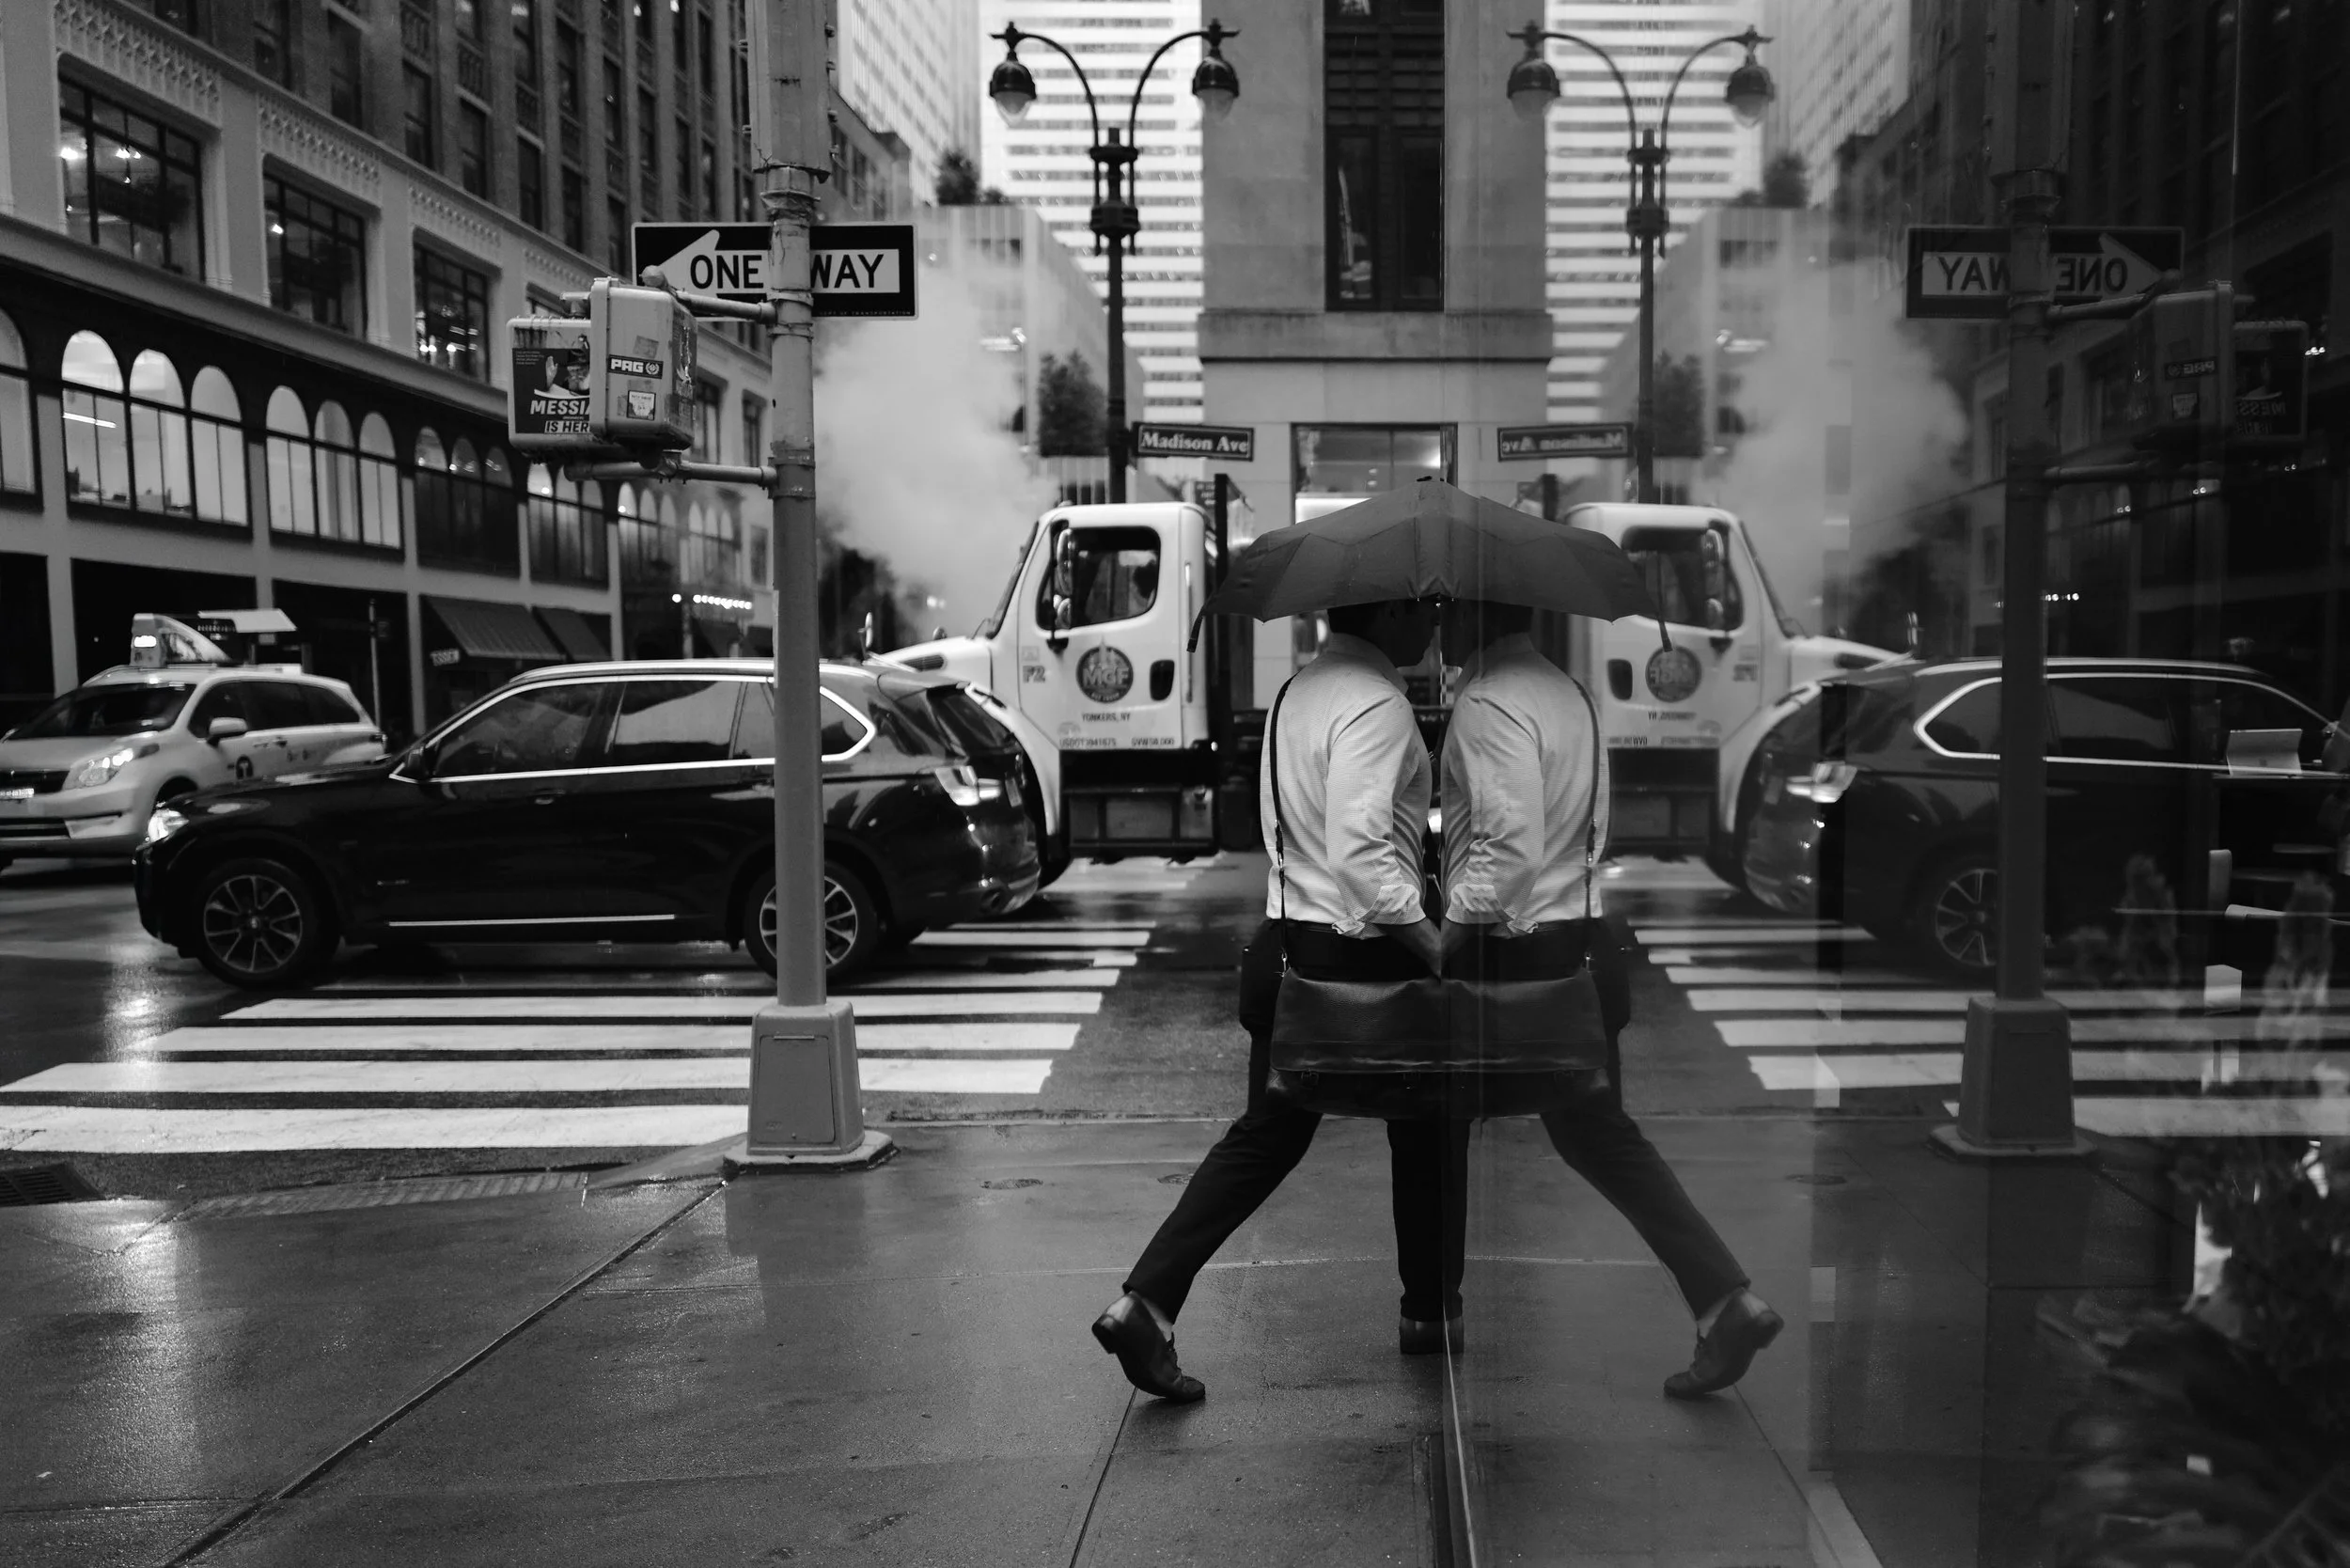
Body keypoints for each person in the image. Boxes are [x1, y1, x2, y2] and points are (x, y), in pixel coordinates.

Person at [1092, 598, 1472, 1403]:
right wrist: (1435, 943)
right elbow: (1361, 856)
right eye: (1423, 610)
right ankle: (1428, 1313)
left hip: (1290, 944)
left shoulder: (1298, 693)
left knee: (1265, 1139)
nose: (1433, 626)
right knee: (1431, 1121)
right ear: (1387, 617)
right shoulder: (1375, 705)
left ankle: (1145, 1303)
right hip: (1360, 957)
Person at [1436, 599, 1782, 1399]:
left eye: (1448, 611)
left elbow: (1508, 851)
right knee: (1601, 1140)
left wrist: (1444, 935)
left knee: (1440, 1120)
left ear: (1478, 613)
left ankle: (1437, 1307)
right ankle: (1726, 1299)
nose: (1437, 627)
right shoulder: (1567, 691)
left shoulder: (1491, 704)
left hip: (1513, 951)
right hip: (1581, 939)